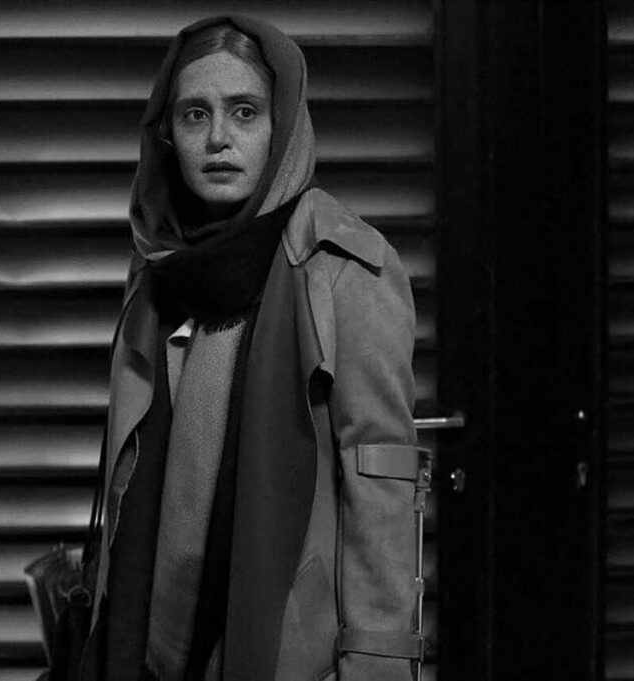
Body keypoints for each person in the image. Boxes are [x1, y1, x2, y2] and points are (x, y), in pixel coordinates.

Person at [78, 14, 423, 681]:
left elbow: (380, 485)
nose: (218, 139)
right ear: (167, 133)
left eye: (244, 112)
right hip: (151, 642)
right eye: (195, 114)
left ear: (281, 124)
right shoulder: (159, 263)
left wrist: (375, 668)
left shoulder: (346, 268)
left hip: (280, 649)